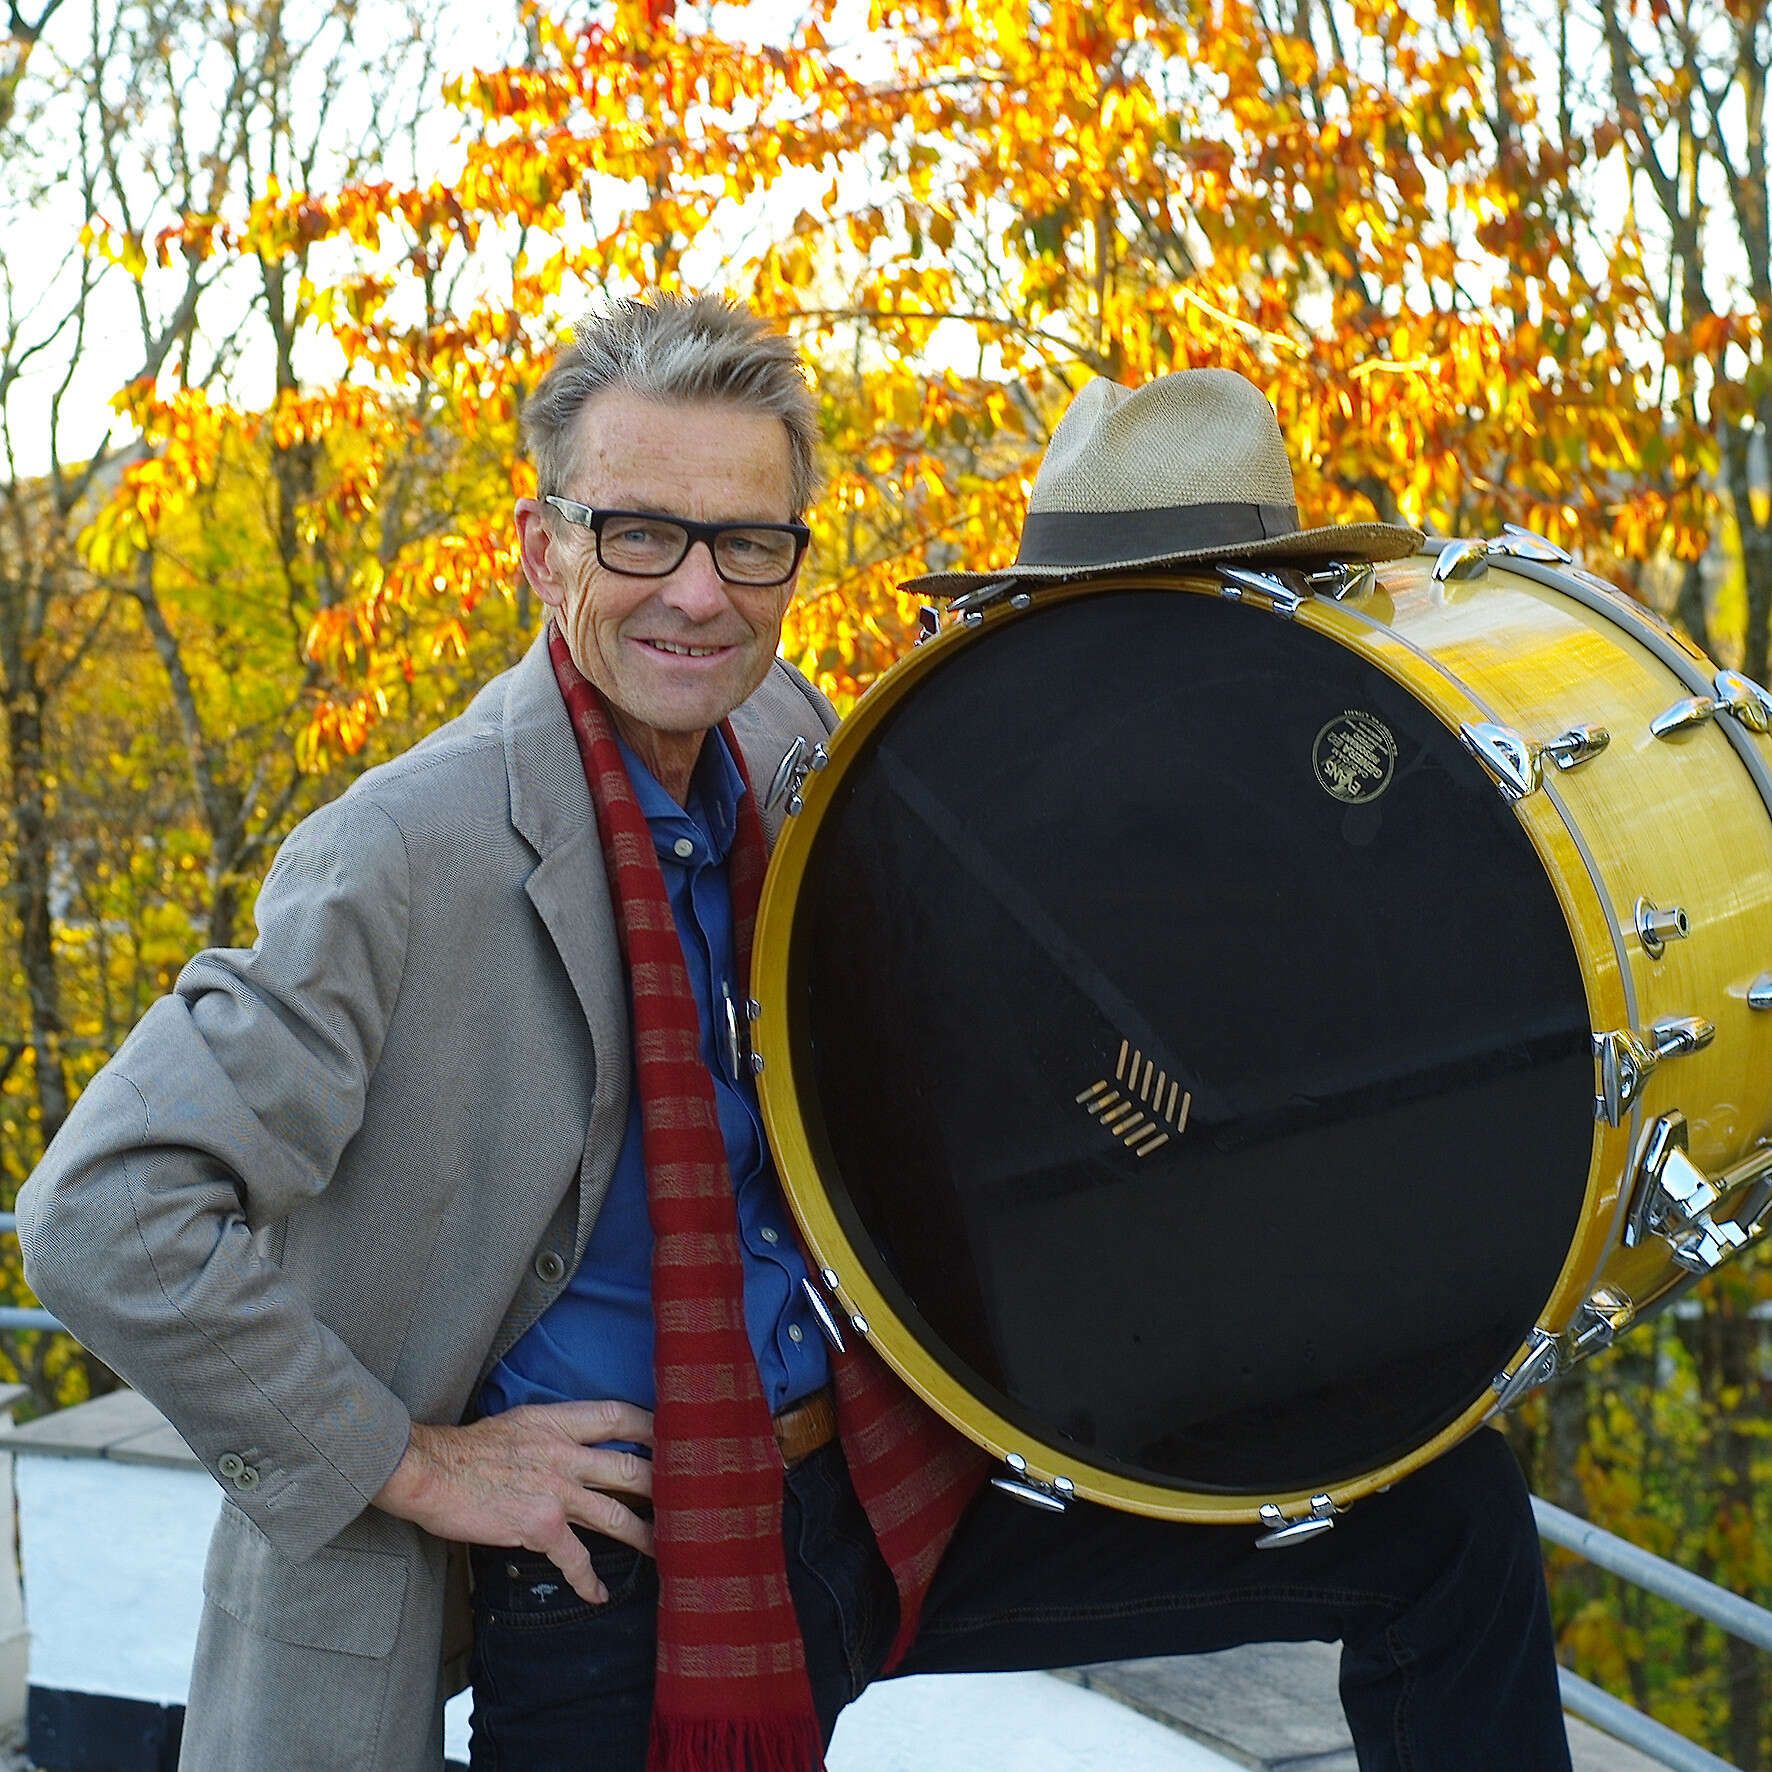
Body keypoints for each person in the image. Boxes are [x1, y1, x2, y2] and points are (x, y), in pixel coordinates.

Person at [17, 296, 1574, 1772]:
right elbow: (100, 1215)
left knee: (1439, 1526)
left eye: (748, 543)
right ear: (542, 548)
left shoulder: (788, 741)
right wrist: (419, 1463)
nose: (699, 594)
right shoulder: (404, 853)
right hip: (630, 1559)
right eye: (640, 533)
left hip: (884, 1472)